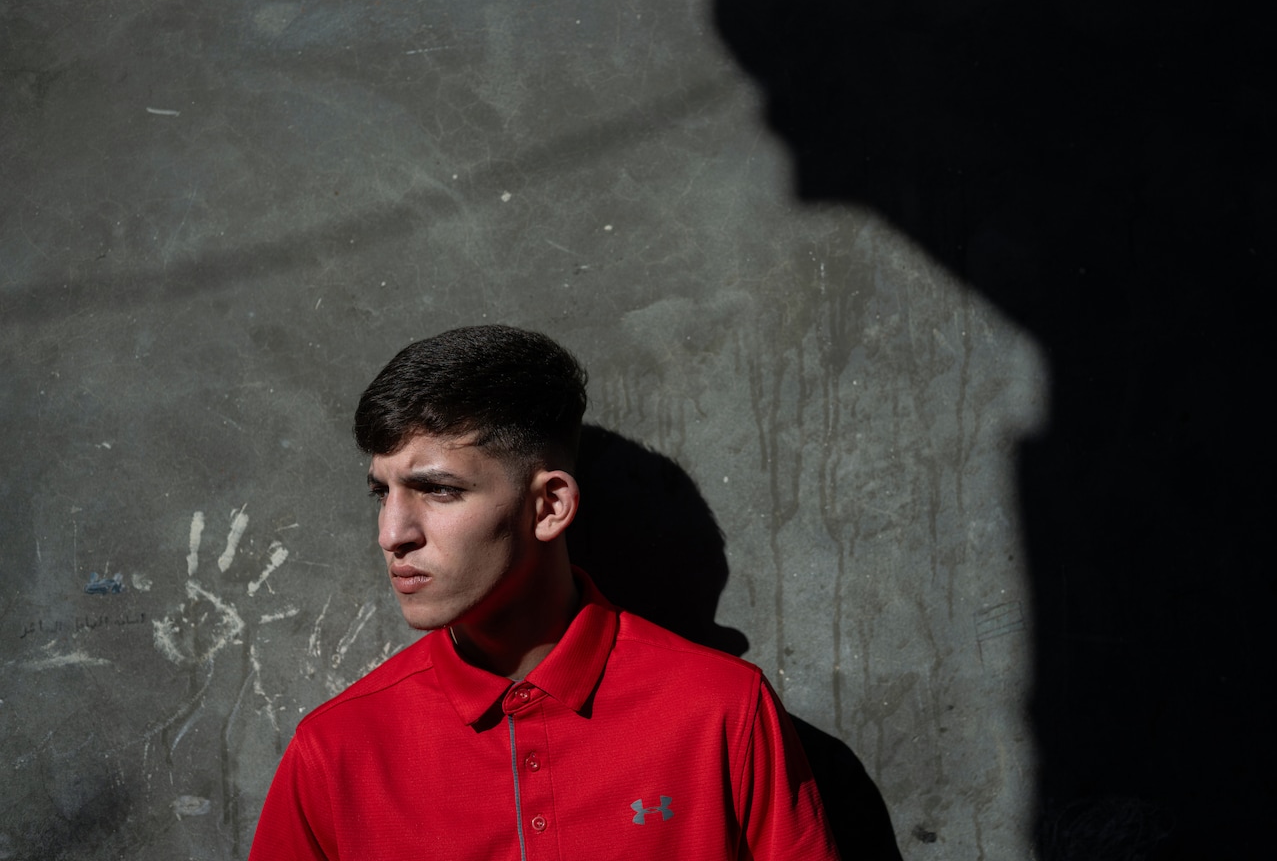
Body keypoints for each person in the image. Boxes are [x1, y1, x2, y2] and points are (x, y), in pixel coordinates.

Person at [249, 325, 838, 861]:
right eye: (383, 493)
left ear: (550, 505)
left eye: (438, 490)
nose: (391, 534)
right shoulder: (335, 750)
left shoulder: (722, 712)